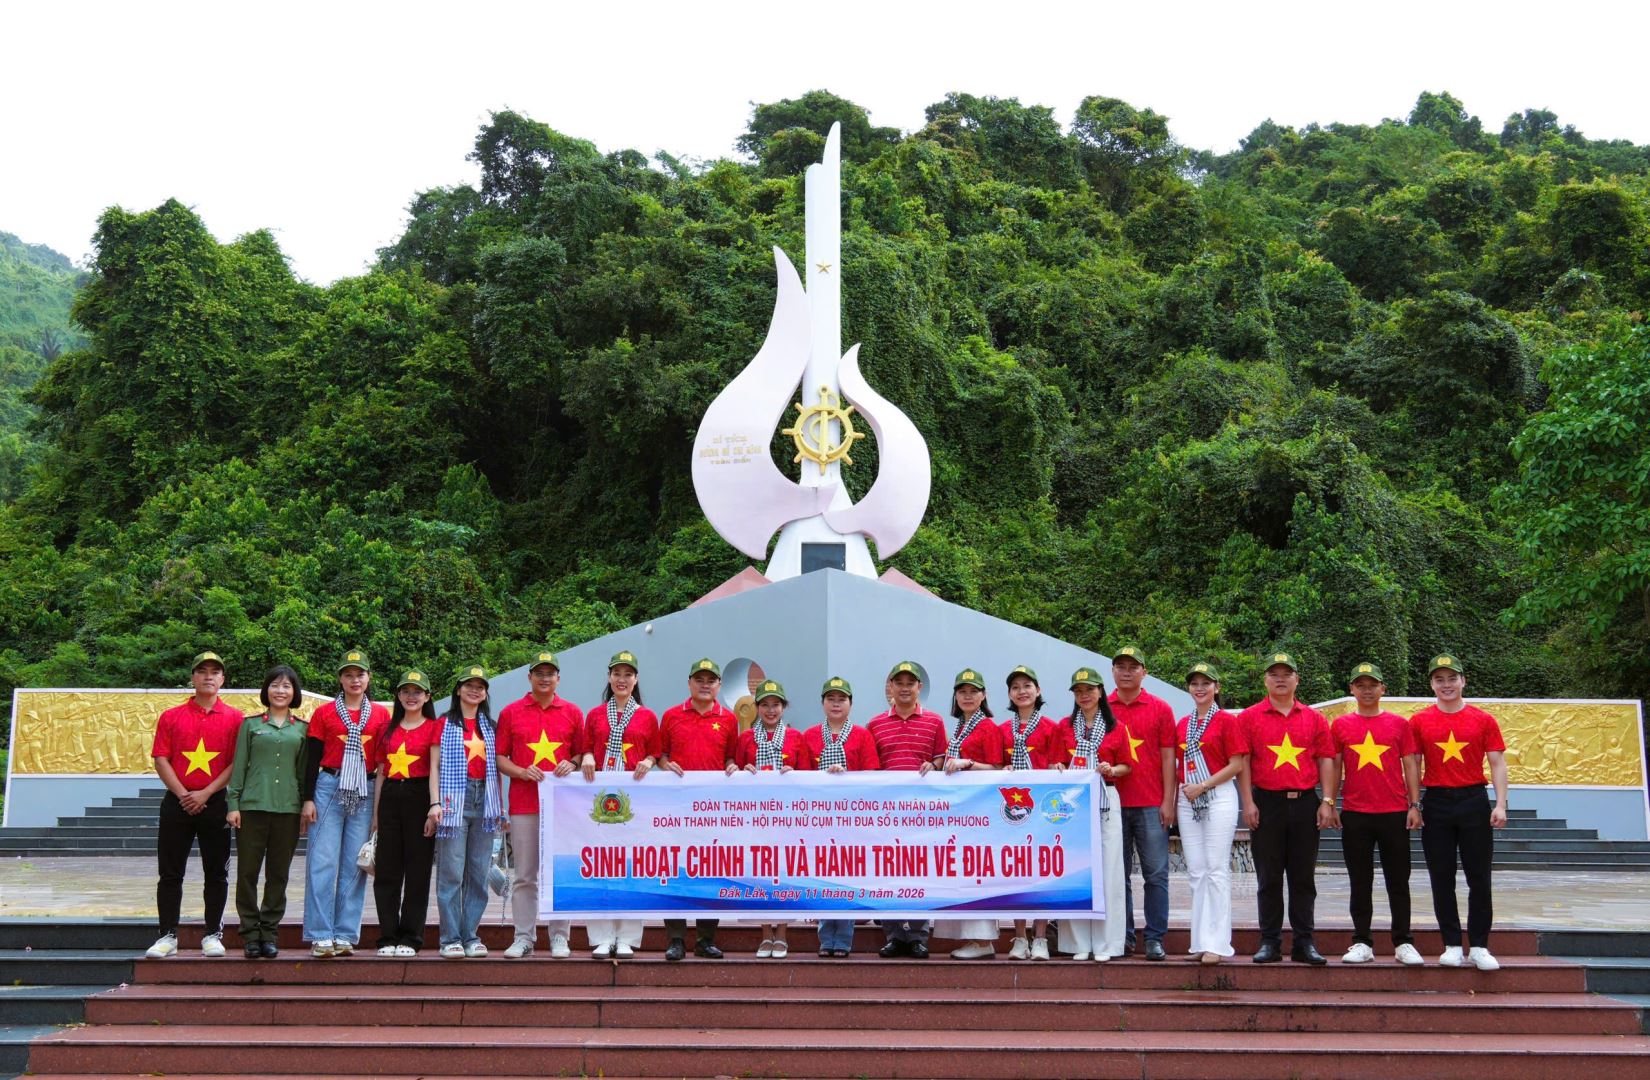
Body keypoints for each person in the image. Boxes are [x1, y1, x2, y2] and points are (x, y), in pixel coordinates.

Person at [1411, 653, 1509, 971]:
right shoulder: (1420, 721)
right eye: (1439, 679)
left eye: (1452, 678)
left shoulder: (1483, 719)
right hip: (1437, 802)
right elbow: (1412, 765)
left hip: (1473, 800)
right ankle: (1452, 944)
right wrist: (1414, 804)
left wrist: (1501, 804)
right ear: (1431, 684)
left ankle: (1479, 946)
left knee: (1479, 876)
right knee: (1441, 876)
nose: (1446, 685)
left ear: (1463, 681)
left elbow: (1497, 762)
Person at [146, 651, 245, 959]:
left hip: (215, 802)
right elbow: (161, 758)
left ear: (223, 679)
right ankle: (167, 935)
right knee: (170, 872)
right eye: (202, 671)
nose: (208, 677)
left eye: (215, 672)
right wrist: (183, 794)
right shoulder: (171, 716)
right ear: (193, 677)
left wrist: (206, 793)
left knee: (216, 872)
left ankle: (213, 934)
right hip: (177, 802)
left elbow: (236, 763)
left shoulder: (235, 718)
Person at [1239, 651, 1335, 965]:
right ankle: (1269, 942)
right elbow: (1243, 762)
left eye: (1286, 674)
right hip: (1266, 803)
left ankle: (1304, 943)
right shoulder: (1250, 717)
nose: (1280, 679)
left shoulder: (1314, 718)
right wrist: (1248, 802)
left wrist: (1327, 800)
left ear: (1297, 679)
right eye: (1274, 674)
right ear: (1265, 680)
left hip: (1305, 802)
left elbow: (1326, 760)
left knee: (1303, 878)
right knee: (1268, 878)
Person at [1330, 662, 1423, 966]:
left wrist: (1414, 804)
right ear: (1352, 689)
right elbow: (1335, 765)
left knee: (1399, 880)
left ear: (1383, 688)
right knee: (1360, 880)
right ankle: (1361, 941)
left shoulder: (1399, 724)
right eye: (1361, 685)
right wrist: (1330, 802)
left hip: (1394, 812)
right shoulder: (1341, 725)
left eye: (1372, 685)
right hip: (1355, 813)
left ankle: (1403, 942)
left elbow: (1410, 764)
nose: (1367, 690)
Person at [301, 649, 390, 958]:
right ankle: (320, 934)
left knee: (356, 863)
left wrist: (378, 809)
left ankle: (344, 933)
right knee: (322, 861)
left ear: (369, 678)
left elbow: (384, 762)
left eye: (360, 674)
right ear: (340, 679)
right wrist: (307, 799)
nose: (355, 680)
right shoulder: (325, 713)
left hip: (365, 787)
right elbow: (311, 758)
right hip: (329, 785)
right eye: (349, 675)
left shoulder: (381, 715)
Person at [496, 651, 584, 959]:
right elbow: (500, 758)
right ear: (529, 677)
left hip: (562, 806)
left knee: (560, 872)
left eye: (550, 673)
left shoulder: (573, 712)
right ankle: (523, 936)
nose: (545, 678)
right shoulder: (511, 712)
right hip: (524, 804)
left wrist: (572, 763)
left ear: (558, 678)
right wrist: (522, 772)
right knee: (525, 875)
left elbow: (581, 753)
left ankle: (559, 936)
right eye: (539, 673)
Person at [656, 657, 739, 961]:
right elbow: (660, 755)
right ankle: (675, 939)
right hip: (676, 807)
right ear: (689, 683)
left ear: (719, 685)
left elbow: (731, 757)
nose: (705, 685)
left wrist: (732, 766)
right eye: (699, 680)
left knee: (711, 870)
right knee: (674, 870)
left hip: (712, 809)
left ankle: (706, 938)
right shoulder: (671, 715)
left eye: (711, 681)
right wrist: (666, 765)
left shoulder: (729, 719)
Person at [865, 660, 948, 958]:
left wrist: (934, 765)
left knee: (919, 871)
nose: (904, 688)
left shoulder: (935, 721)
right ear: (890, 686)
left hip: (922, 813)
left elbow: (941, 758)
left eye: (910, 683)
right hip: (885, 813)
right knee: (887, 871)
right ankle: (893, 935)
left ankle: (916, 936)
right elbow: (870, 767)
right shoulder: (874, 724)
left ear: (919, 687)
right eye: (898, 683)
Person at [580, 650, 660, 958]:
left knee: (631, 866)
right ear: (609, 677)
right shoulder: (596, 715)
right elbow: (585, 748)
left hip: (634, 799)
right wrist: (588, 756)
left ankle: (626, 936)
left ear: (636, 679)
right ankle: (602, 935)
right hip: (599, 799)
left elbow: (655, 752)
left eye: (628, 674)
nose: (622, 679)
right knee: (598, 865)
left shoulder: (647, 716)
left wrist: (649, 761)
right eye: (617, 674)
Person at [226, 664, 308, 959]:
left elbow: (303, 773)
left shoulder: (302, 728)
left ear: (294, 692)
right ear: (266, 690)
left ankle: (269, 933)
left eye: (286, 686)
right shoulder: (250, 725)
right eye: (275, 685)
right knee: (247, 873)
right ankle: (250, 934)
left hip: (287, 810)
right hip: (252, 808)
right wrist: (233, 804)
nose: (280, 691)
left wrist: (304, 806)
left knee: (278, 874)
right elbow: (239, 766)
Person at [732, 679, 814, 957]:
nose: (770, 710)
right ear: (757, 708)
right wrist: (741, 771)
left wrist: (794, 774)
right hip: (755, 817)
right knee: (760, 874)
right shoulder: (746, 738)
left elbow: (808, 777)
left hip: (788, 818)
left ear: (784, 707)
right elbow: (734, 768)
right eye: (765, 705)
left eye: (776, 704)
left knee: (785, 873)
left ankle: (783, 935)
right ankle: (766, 933)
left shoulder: (796, 737)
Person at [1106, 646, 1177, 961]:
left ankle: (1155, 937)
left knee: (1156, 874)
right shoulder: (1100, 707)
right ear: (1112, 671)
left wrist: (1168, 800)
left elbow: (1168, 758)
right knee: (1117, 876)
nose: (1126, 672)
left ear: (1144, 672)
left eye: (1132, 667)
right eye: (1120, 666)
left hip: (1150, 803)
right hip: (1112, 804)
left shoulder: (1160, 708)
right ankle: (1123, 936)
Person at [1054, 666, 1130, 962]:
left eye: (1089, 690)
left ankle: (1107, 943)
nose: (1084, 695)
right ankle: (1078, 943)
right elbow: (1056, 762)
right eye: (1078, 691)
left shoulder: (1116, 727)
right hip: (1072, 802)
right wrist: (1058, 767)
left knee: (1108, 869)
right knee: (1075, 867)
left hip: (1105, 797)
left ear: (1100, 692)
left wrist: (1111, 769)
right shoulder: (1065, 726)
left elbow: (1126, 765)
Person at [1175, 662, 1248, 965]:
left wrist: (1203, 785)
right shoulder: (1183, 724)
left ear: (1217, 688)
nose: (1200, 688)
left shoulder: (1227, 721)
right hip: (1188, 798)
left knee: (1216, 869)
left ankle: (1218, 943)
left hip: (1217, 795)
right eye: (1194, 683)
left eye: (1206, 683)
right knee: (1196, 871)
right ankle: (1200, 941)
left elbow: (1237, 764)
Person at [802, 676, 879, 957]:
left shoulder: (862, 735)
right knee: (823, 874)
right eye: (831, 699)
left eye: (841, 699)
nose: (836, 704)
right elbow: (800, 776)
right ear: (822, 703)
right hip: (818, 818)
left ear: (850, 704)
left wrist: (847, 777)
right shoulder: (810, 735)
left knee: (847, 875)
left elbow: (872, 776)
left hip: (852, 817)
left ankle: (843, 940)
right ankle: (825, 939)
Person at [434, 664, 506, 959]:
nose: (474, 690)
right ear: (458, 690)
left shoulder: (491, 726)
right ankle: (450, 938)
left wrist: (501, 808)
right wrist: (434, 804)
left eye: (480, 686)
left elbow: (497, 769)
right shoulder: (443, 722)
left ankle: (471, 936)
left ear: (485, 693)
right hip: (454, 799)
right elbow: (434, 766)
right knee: (451, 873)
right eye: (469, 685)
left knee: (478, 873)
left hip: (484, 800)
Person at [934, 668, 1006, 960]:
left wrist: (968, 764)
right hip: (960, 809)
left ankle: (983, 939)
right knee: (961, 869)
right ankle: (971, 938)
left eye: (973, 692)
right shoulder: (960, 727)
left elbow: (998, 768)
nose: (967, 696)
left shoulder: (988, 727)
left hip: (980, 810)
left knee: (978, 871)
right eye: (962, 692)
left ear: (983, 695)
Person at [369, 670, 442, 956]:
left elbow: (435, 770)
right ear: (398, 695)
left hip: (419, 796)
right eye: (406, 691)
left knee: (417, 871)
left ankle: (411, 937)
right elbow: (381, 773)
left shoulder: (434, 727)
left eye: (417, 692)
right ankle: (388, 936)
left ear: (427, 696)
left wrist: (433, 807)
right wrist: (376, 815)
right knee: (386, 871)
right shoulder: (386, 729)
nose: (411, 697)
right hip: (390, 797)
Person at [1000, 665, 1065, 960]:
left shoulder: (1052, 728)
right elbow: (994, 766)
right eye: (1015, 687)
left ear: (1038, 691)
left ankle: (1040, 938)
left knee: (1042, 872)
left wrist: (1056, 769)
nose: (1022, 691)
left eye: (1027, 686)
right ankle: (1019, 937)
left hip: (1043, 813)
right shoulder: (1003, 730)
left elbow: (1058, 764)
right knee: (1016, 871)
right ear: (1009, 694)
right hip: (1011, 812)